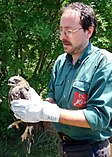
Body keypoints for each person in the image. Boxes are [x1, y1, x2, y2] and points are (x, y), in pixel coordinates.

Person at [11, 2, 112, 157]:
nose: (61, 37)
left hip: (91, 150)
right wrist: (36, 107)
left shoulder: (104, 63)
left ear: (89, 31)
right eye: (61, 30)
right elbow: (52, 98)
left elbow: (98, 118)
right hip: (63, 147)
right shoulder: (60, 62)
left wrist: (50, 112)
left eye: (69, 31)